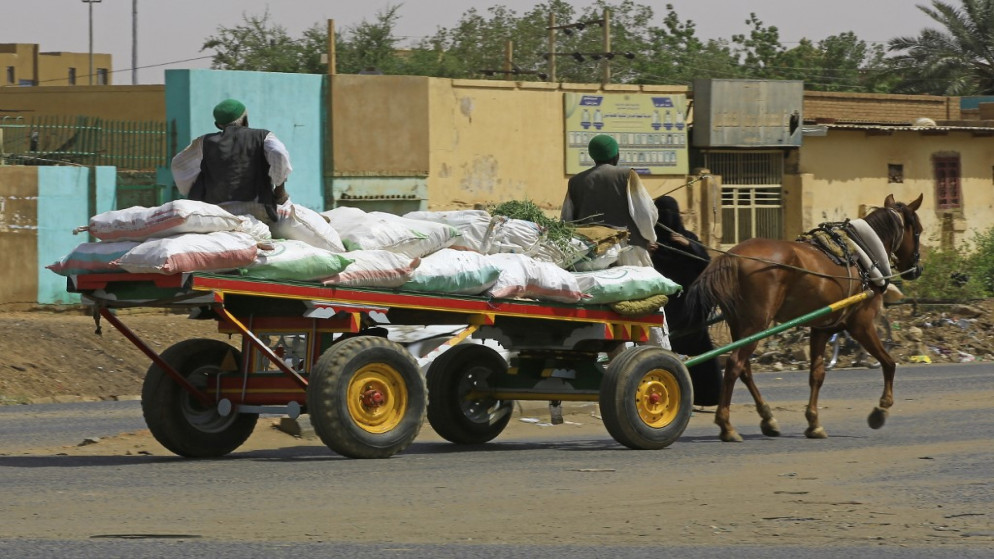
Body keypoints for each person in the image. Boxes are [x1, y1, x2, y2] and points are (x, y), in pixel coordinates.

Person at [170, 98, 292, 223]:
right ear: (245, 120)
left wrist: (189, 187)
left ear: (218, 125)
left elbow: (178, 163)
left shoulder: (204, 142)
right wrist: (279, 189)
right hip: (257, 208)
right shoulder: (263, 136)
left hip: (217, 212)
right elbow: (279, 153)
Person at [651, 195, 722, 406]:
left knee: (700, 353)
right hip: (664, 308)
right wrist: (646, 250)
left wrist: (689, 245)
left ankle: (706, 396)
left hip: (690, 309)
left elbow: (705, 263)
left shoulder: (686, 237)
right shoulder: (650, 240)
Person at [561, 134, 658, 267]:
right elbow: (645, 212)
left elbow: (567, 220)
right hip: (627, 248)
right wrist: (649, 237)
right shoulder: (627, 175)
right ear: (616, 155)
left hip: (589, 251)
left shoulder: (575, 181)